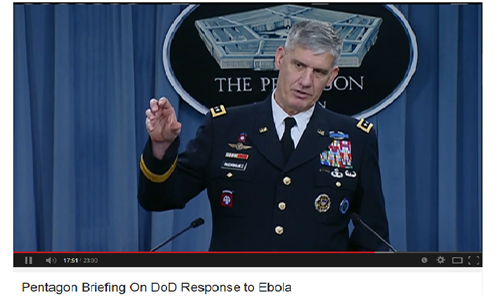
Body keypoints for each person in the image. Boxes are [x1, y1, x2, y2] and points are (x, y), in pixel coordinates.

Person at [138, 20, 389, 251]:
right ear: (280, 58)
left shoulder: (355, 139)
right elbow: (158, 199)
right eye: (298, 65)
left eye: (319, 72)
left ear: (332, 76)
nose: (305, 81)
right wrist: (161, 147)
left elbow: (373, 234)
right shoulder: (225, 127)